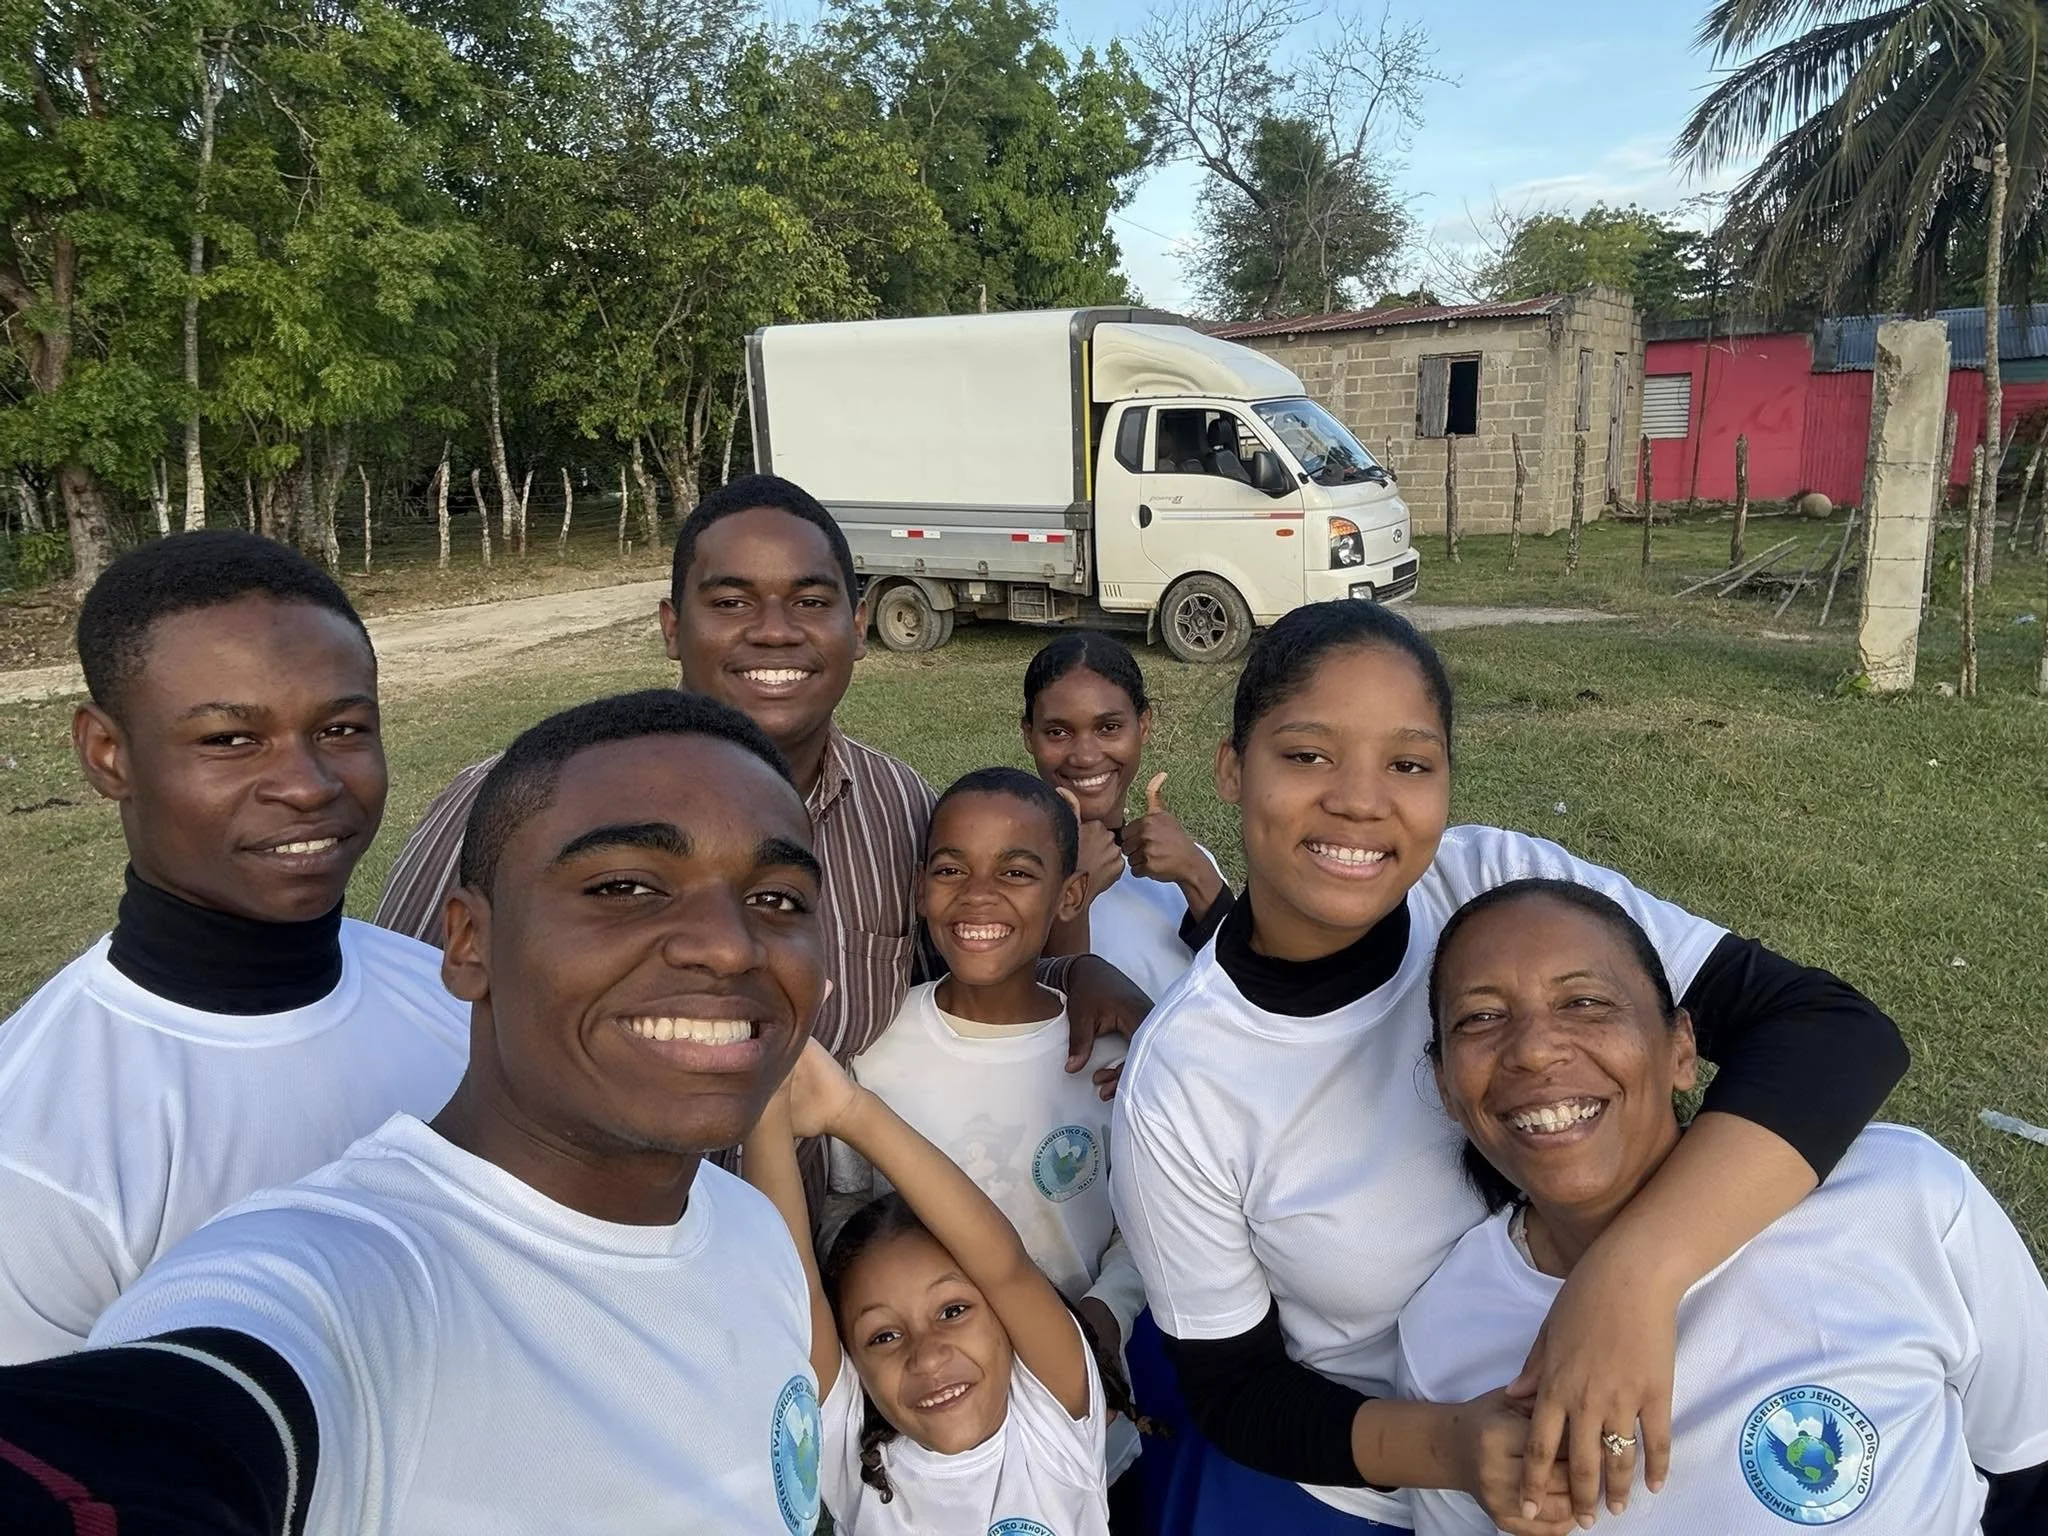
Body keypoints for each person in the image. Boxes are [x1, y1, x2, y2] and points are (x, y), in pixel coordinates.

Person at [1108, 599, 1911, 1534]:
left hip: (1693, 1388)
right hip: (1401, 1482)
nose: (1361, 800)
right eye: (1307, 755)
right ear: (1231, 767)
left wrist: (1630, 1280)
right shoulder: (1183, 1084)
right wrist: (1452, 1448)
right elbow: (1237, 1392)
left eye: (1409, 764)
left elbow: (1829, 1030)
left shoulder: (1496, 889)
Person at [0, 690, 834, 1534]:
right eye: (625, 886)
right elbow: (163, 1436)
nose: (731, 945)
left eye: (778, 900)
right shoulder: (341, 1289)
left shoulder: (751, 1233)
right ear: (470, 944)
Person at [372, 477, 1149, 1181]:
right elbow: (393, 1039)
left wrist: (1073, 975)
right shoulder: (518, 803)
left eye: (810, 602)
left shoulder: (901, 809)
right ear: (674, 626)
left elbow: (960, 979)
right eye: (732, 601)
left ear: (859, 623)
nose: (775, 632)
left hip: (806, 1283)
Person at [1400, 879, 2048, 1535]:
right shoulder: (1446, 1332)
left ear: (1682, 1048)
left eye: (1587, 1002)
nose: (1535, 1049)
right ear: (1447, 1089)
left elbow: (2030, 1464)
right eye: (1480, 1018)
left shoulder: (1898, 1194)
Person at [0, 531, 467, 1365]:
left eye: (344, 728)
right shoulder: (37, 1149)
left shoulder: (453, 998)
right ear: (108, 755)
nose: (308, 784)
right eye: (228, 740)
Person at [828, 766, 1147, 1517]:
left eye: (1016, 871)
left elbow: (1149, 1220)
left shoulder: (1109, 1060)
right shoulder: (878, 1052)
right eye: (950, 869)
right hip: (924, 1438)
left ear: (1069, 895)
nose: (977, 895)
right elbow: (847, 1208)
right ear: (917, 886)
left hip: (1087, 1418)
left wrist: (1112, 1307)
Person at [748, 1038, 1125, 1535]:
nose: (925, 1356)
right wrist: (765, 1094)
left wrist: (850, 1110)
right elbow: (789, 1285)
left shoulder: (1052, 1420)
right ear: (854, 1366)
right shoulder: (850, 1450)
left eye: (952, 1311)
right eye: (883, 1336)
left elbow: (1004, 1266)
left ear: (1006, 1322)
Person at [1021, 632, 1230, 999]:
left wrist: (1196, 872)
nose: (1085, 756)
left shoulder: (1183, 864)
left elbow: (1256, 982)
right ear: (1029, 736)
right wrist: (1073, 895)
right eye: (1058, 732)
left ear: (1144, 726)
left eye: (1109, 727)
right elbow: (1044, 1018)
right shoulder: (1011, 874)